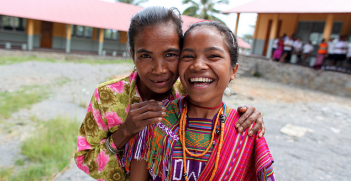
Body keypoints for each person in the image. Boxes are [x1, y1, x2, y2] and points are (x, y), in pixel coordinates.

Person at [74, 7, 266, 180]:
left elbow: (217, 113)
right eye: (145, 56)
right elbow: (85, 160)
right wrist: (125, 131)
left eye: (170, 55)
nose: (159, 69)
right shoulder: (108, 97)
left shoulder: (189, 89)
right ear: (133, 55)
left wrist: (248, 117)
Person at [125, 21, 274, 181]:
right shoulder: (154, 120)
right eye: (188, 56)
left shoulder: (246, 131)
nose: (198, 65)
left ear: (233, 70)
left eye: (213, 56)